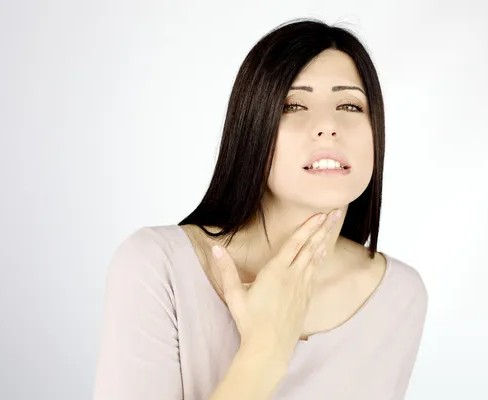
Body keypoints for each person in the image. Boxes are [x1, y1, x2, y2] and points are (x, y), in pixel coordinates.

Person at [92, 18, 428, 400]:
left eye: (350, 104)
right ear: (253, 127)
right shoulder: (157, 266)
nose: (328, 126)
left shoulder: (399, 294)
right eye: (294, 104)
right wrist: (264, 354)